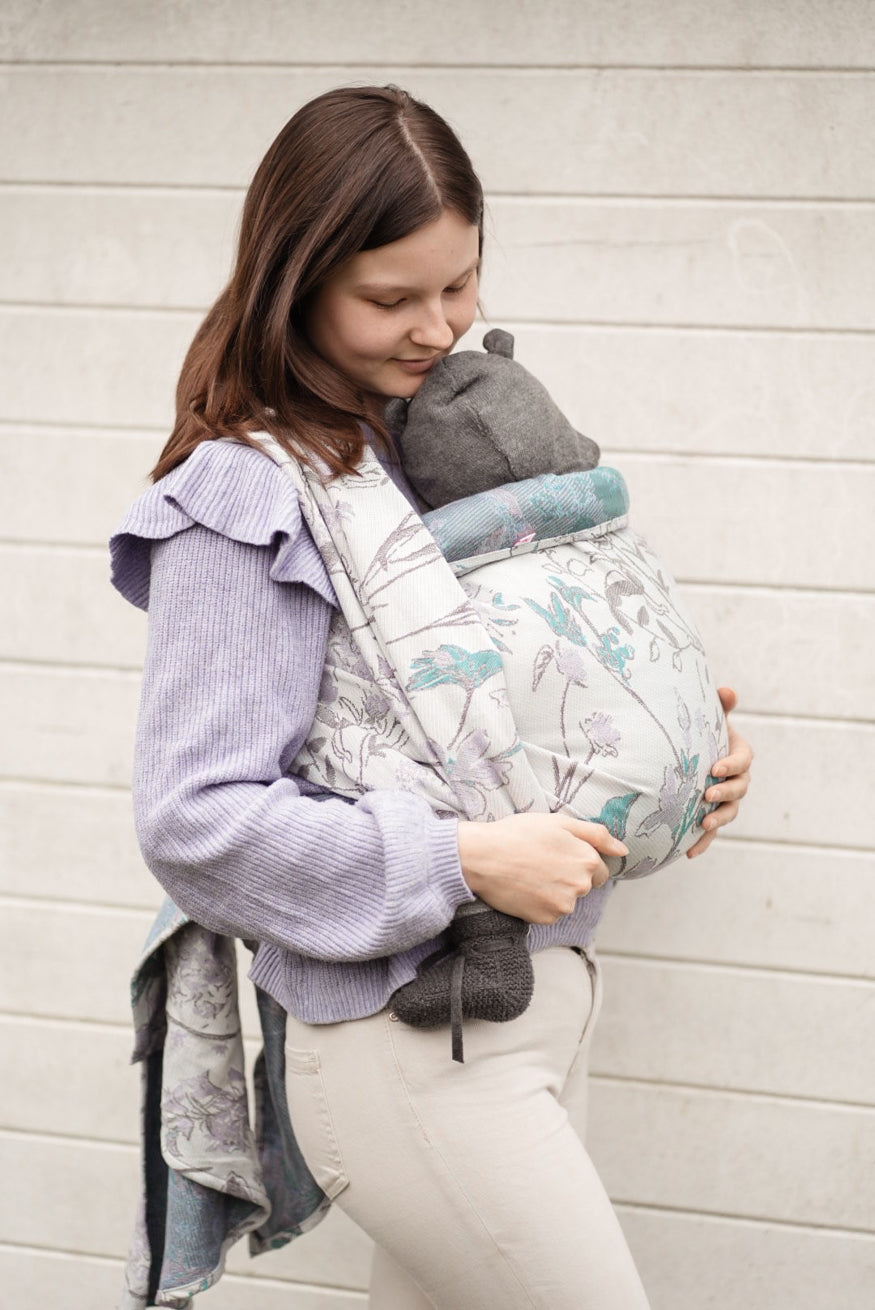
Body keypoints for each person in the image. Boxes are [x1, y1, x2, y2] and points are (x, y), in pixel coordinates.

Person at [111, 85, 752, 1310]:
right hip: (413, 1056)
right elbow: (192, 819)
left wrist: (667, 753)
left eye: (457, 285)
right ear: (291, 281)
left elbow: (499, 713)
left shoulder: (445, 445)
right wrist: (462, 859)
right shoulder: (245, 498)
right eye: (389, 297)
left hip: (533, 1016)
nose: (437, 324)